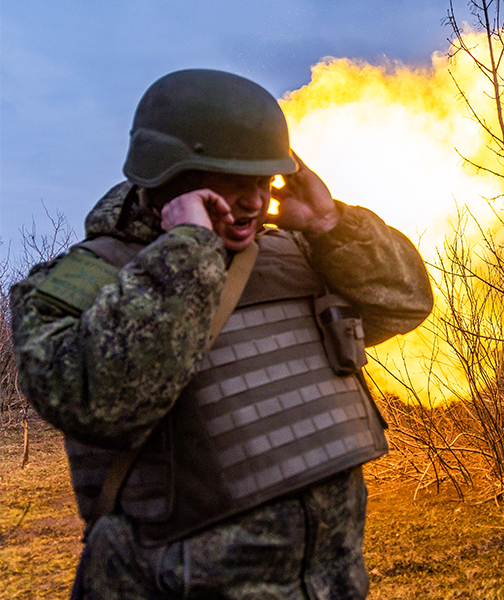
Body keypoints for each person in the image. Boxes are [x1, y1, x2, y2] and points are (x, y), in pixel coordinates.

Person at [10, 69, 434, 599]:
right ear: (167, 174)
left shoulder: (294, 253)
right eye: (234, 181)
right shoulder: (80, 286)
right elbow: (100, 403)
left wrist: (329, 224)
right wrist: (188, 252)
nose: (255, 202)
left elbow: (405, 306)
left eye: (265, 181)